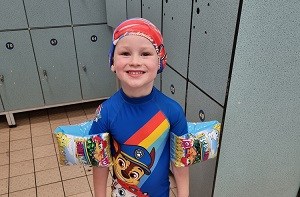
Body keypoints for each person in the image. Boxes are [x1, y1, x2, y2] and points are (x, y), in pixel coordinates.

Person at [89, 17, 189, 197]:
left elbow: (180, 163)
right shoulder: (105, 113)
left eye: (145, 54)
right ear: (112, 61)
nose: (135, 61)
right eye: (125, 53)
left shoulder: (172, 111)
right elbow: (100, 163)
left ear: (160, 61)